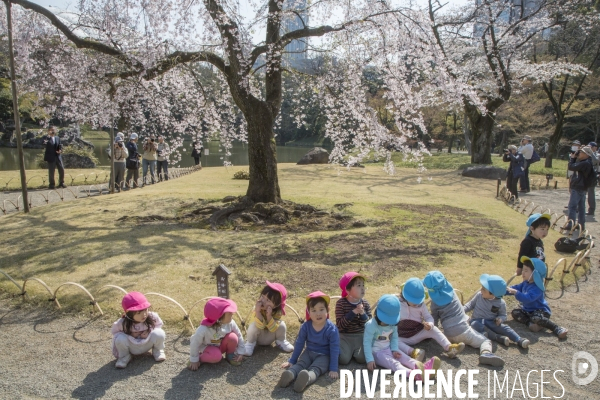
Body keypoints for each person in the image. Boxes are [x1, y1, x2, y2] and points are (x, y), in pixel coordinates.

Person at [425, 271, 505, 367]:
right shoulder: (453, 293)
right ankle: (486, 353)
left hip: (448, 334)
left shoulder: (434, 304)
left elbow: (434, 320)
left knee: (468, 326)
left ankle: (450, 347)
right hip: (463, 331)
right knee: (485, 341)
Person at [364, 294, 440, 381]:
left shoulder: (393, 323)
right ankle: (413, 375)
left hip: (389, 348)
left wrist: (395, 349)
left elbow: (394, 337)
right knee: (394, 364)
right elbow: (367, 342)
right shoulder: (371, 325)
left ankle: (424, 369)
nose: (389, 323)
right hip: (377, 353)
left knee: (405, 358)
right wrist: (369, 359)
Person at [279, 291, 339, 393]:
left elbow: (335, 348)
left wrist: (333, 368)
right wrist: (292, 360)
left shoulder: (331, 329)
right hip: (308, 352)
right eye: (314, 310)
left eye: (321, 309)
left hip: (324, 355)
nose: (318, 313)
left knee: (316, 368)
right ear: (308, 312)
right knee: (301, 363)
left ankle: (306, 378)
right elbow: (299, 343)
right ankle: (290, 374)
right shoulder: (306, 326)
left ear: (327, 310)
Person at [397, 278, 464, 361]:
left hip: (417, 332)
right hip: (401, 336)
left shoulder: (421, 305)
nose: (417, 303)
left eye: (419, 300)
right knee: (393, 341)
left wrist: (430, 324)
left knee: (434, 329)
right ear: (405, 296)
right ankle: (413, 352)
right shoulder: (397, 303)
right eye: (414, 301)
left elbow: (428, 317)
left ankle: (449, 348)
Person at [507, 257, 568, 339]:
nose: (523, 273)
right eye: (523, 270)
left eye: (526, 270)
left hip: (540, 312)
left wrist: (516, 293)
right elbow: (514, 288)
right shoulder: (525, 283)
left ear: (535, 273)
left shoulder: (537, 288)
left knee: (536, 317)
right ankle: (531, 324)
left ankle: (556, 328)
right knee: (515, 312)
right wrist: (502, 290)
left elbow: (527, 298)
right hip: (527, 311)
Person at [464, 274, 530, 348]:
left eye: (483, 289)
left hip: (491, 321)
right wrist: (461, 310)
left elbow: (503, 315)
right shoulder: (479, 295)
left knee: (504, 328)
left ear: (493, 294)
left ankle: (519, 339)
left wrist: (500, 319)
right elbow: (470, 305)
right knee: (474, 325)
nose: (481, 290)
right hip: (477, 321)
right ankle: (496, 337)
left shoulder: (500, 303)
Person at [111, 292, 166, 369]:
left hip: (147, 343)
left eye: (145, 310)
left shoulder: (152, 317)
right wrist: (130, 335)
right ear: (129, 314)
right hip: (132, 347)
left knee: (159, 333)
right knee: (120, 338)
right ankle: (124, 356)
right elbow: (115, 333)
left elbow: (159, 325)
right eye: (139, 313)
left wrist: (149, 331)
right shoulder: (122, 323)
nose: (144, 315)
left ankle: (157, 350)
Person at [188, 297, 245, 370]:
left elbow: (239, 335)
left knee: (233, 337)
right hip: (207, 347)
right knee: (216, 357)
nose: (232, 314)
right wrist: (194, 359)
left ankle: (230, 354)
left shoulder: (230, 323)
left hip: (220, 345)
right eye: (229, 313)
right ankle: (200, 358)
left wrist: (240, 352)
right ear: (219, 318)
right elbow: (195, 343)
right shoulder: (204, 329)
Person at [244, 281, 294, 356]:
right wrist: (258, 311)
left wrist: (269, 316)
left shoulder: (277, 312)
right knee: (253, 325)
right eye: (262, 296)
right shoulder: (257, 308)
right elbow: (260, 326)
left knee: (281, 325)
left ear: (276, 305)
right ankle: (250, 344)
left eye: (268, 300)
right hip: (258, 337)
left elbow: (273, 329)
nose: (263, 301)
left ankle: (280, 341)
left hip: (270, 336)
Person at [335, 272, 371, 365]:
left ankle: (354, 352)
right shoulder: (341, 303)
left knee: (362, 358)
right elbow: (340, 325)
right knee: (343, 360)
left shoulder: (365, 303)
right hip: (344, 336)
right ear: (347, 290)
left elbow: (369, 325)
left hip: (360, 335)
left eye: (363, 285)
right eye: (359, 285)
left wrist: (363, 314)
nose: (362, 288)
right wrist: (353, 312)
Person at [566, 145, 594, 231]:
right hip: (583, 187)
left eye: (581, 152)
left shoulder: (584, 163)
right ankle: (581, 225)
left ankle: (571, 224)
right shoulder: (587, 162)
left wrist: (572, 158)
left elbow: (571, 167)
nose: (579, 153)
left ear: (587, 154)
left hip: (578, 187)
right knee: (581, 208)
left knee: (572, 207)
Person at [587, 142, 599, 215]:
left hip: (592, 176)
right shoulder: (587, 153)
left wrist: (591, 152)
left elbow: (596, 161)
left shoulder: (597, 154)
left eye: (591, 147)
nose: (590, 148)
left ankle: (591, 210)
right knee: (582, 193)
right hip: (585, 175)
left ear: (595, 147)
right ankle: (579, 208)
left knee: (591, 193)